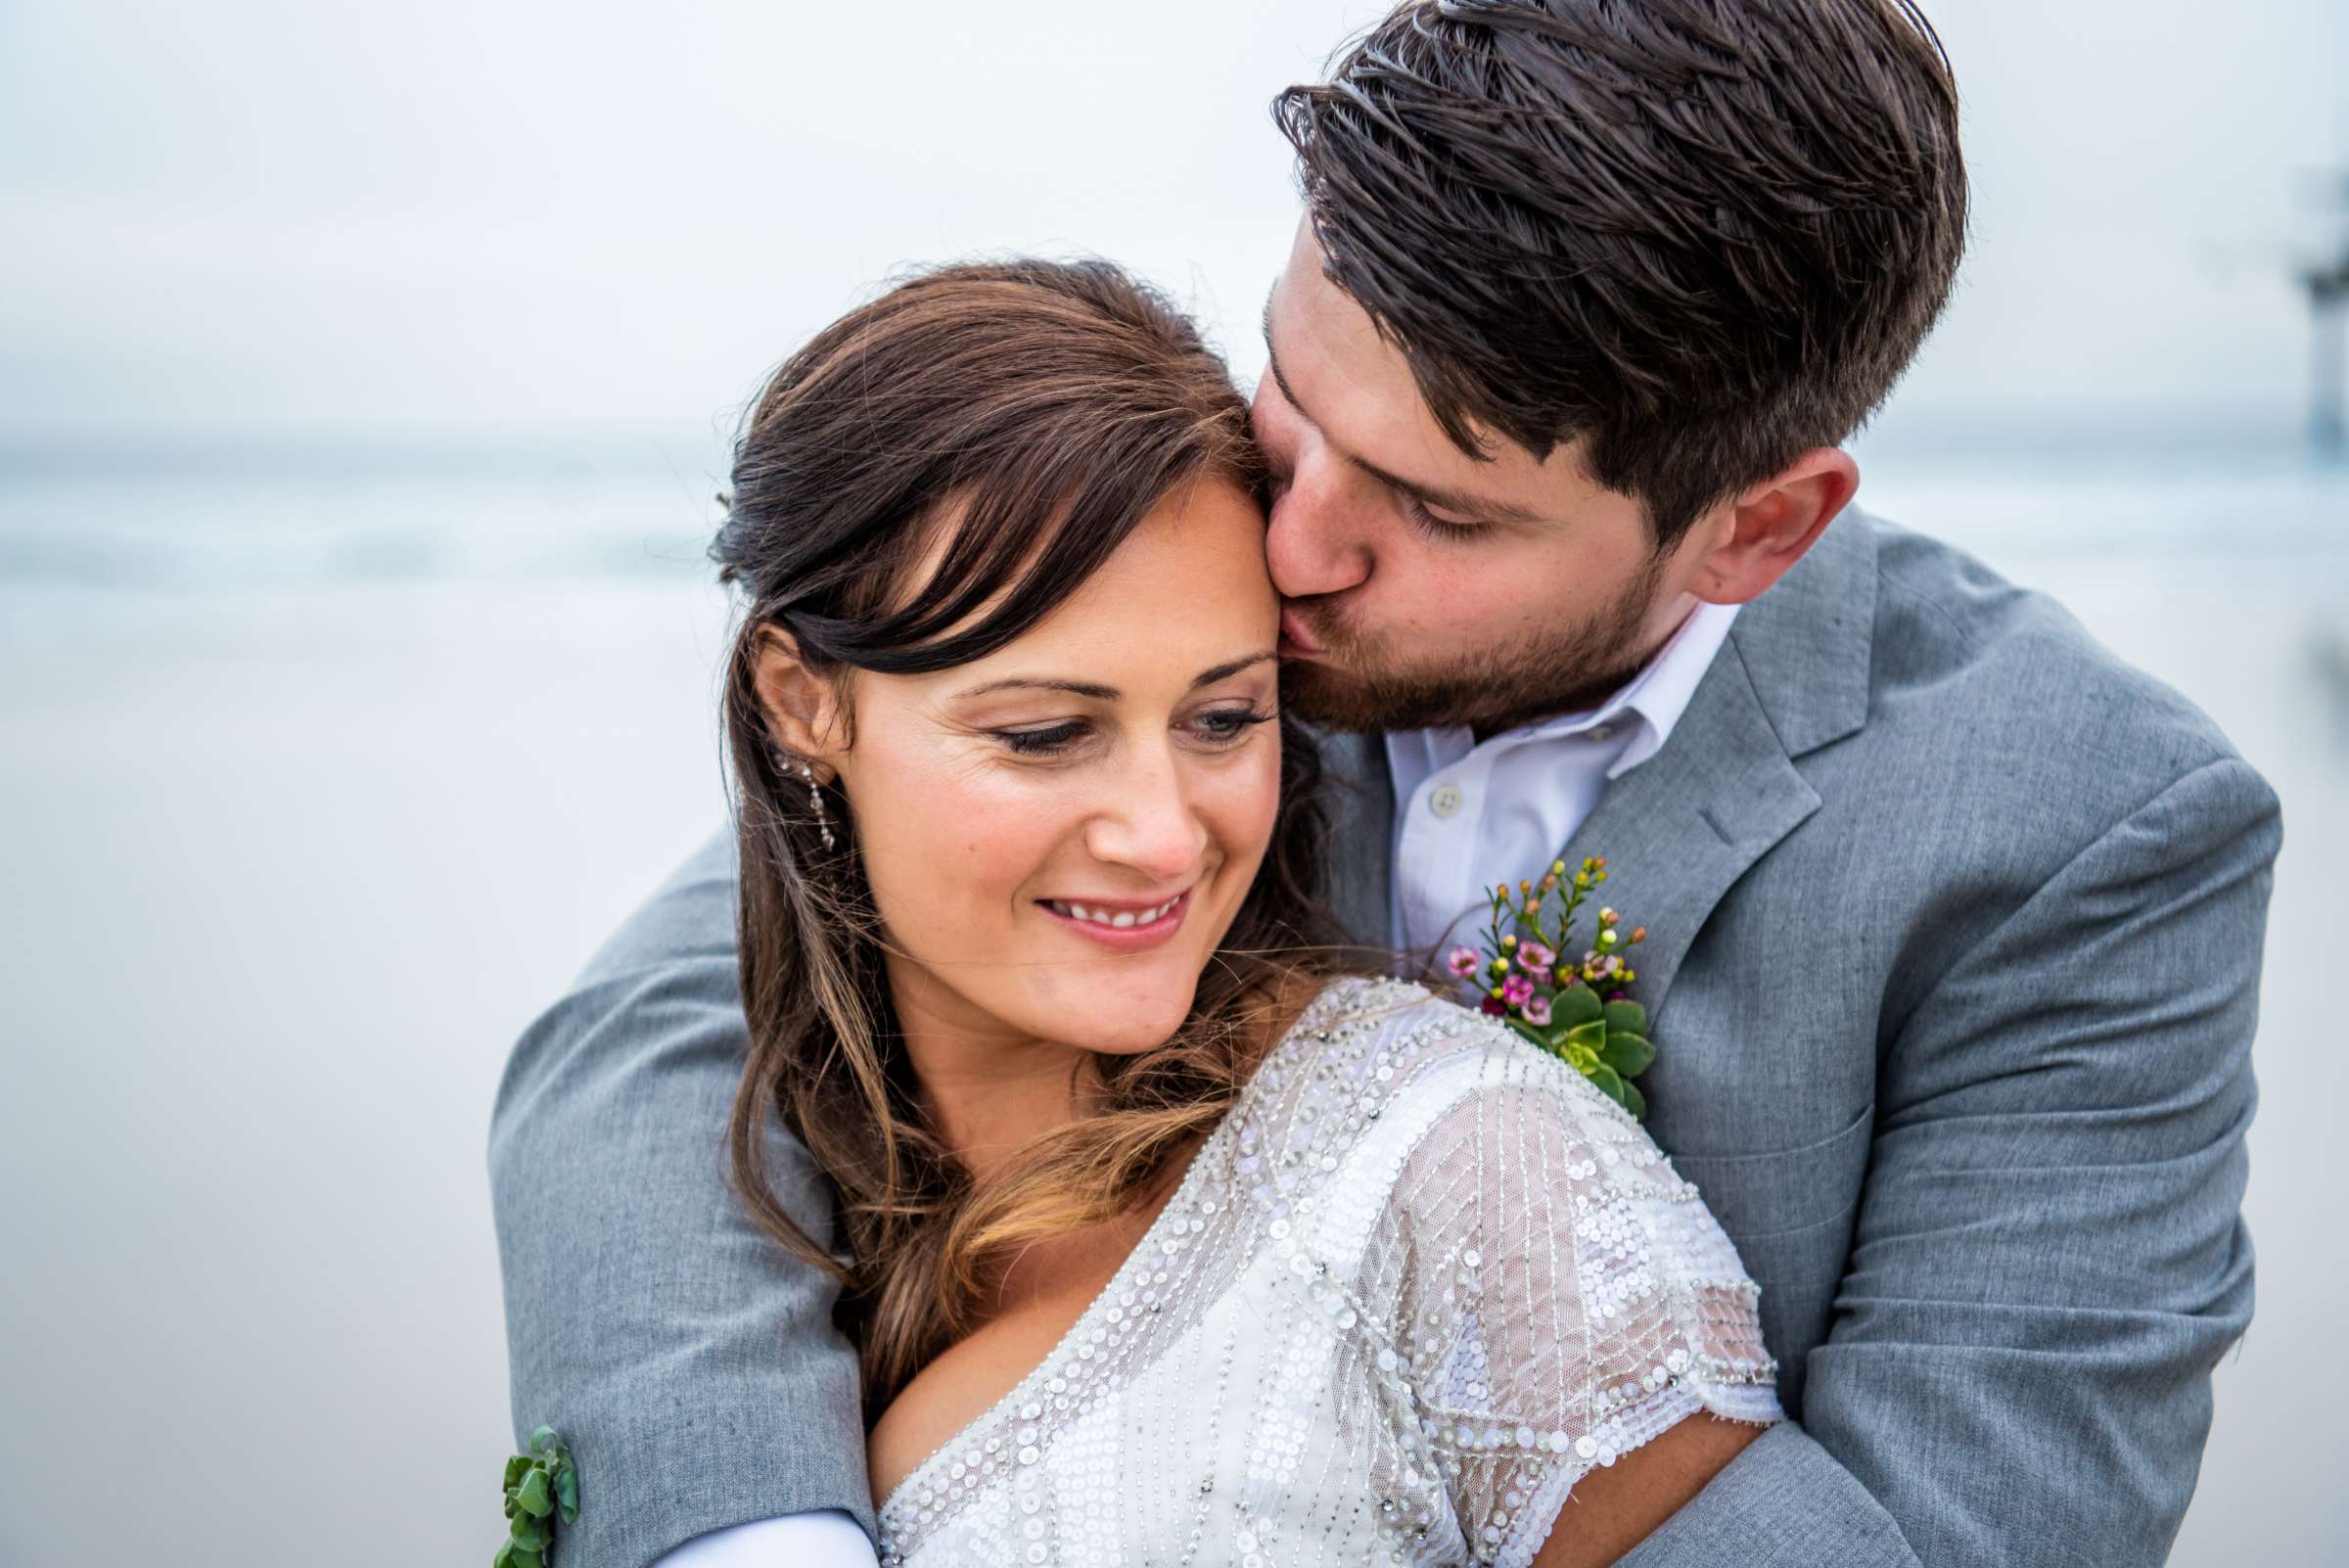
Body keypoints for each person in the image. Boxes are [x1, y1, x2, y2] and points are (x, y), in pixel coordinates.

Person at [490, 4, 2280, 1566]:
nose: (1291, 537)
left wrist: (1477, 1247)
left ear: (1756, 527)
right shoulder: (1190, 575)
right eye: (1296, 385)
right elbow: (659, 1025)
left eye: (1437, 507)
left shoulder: (2086, 832)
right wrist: (752, 1526)